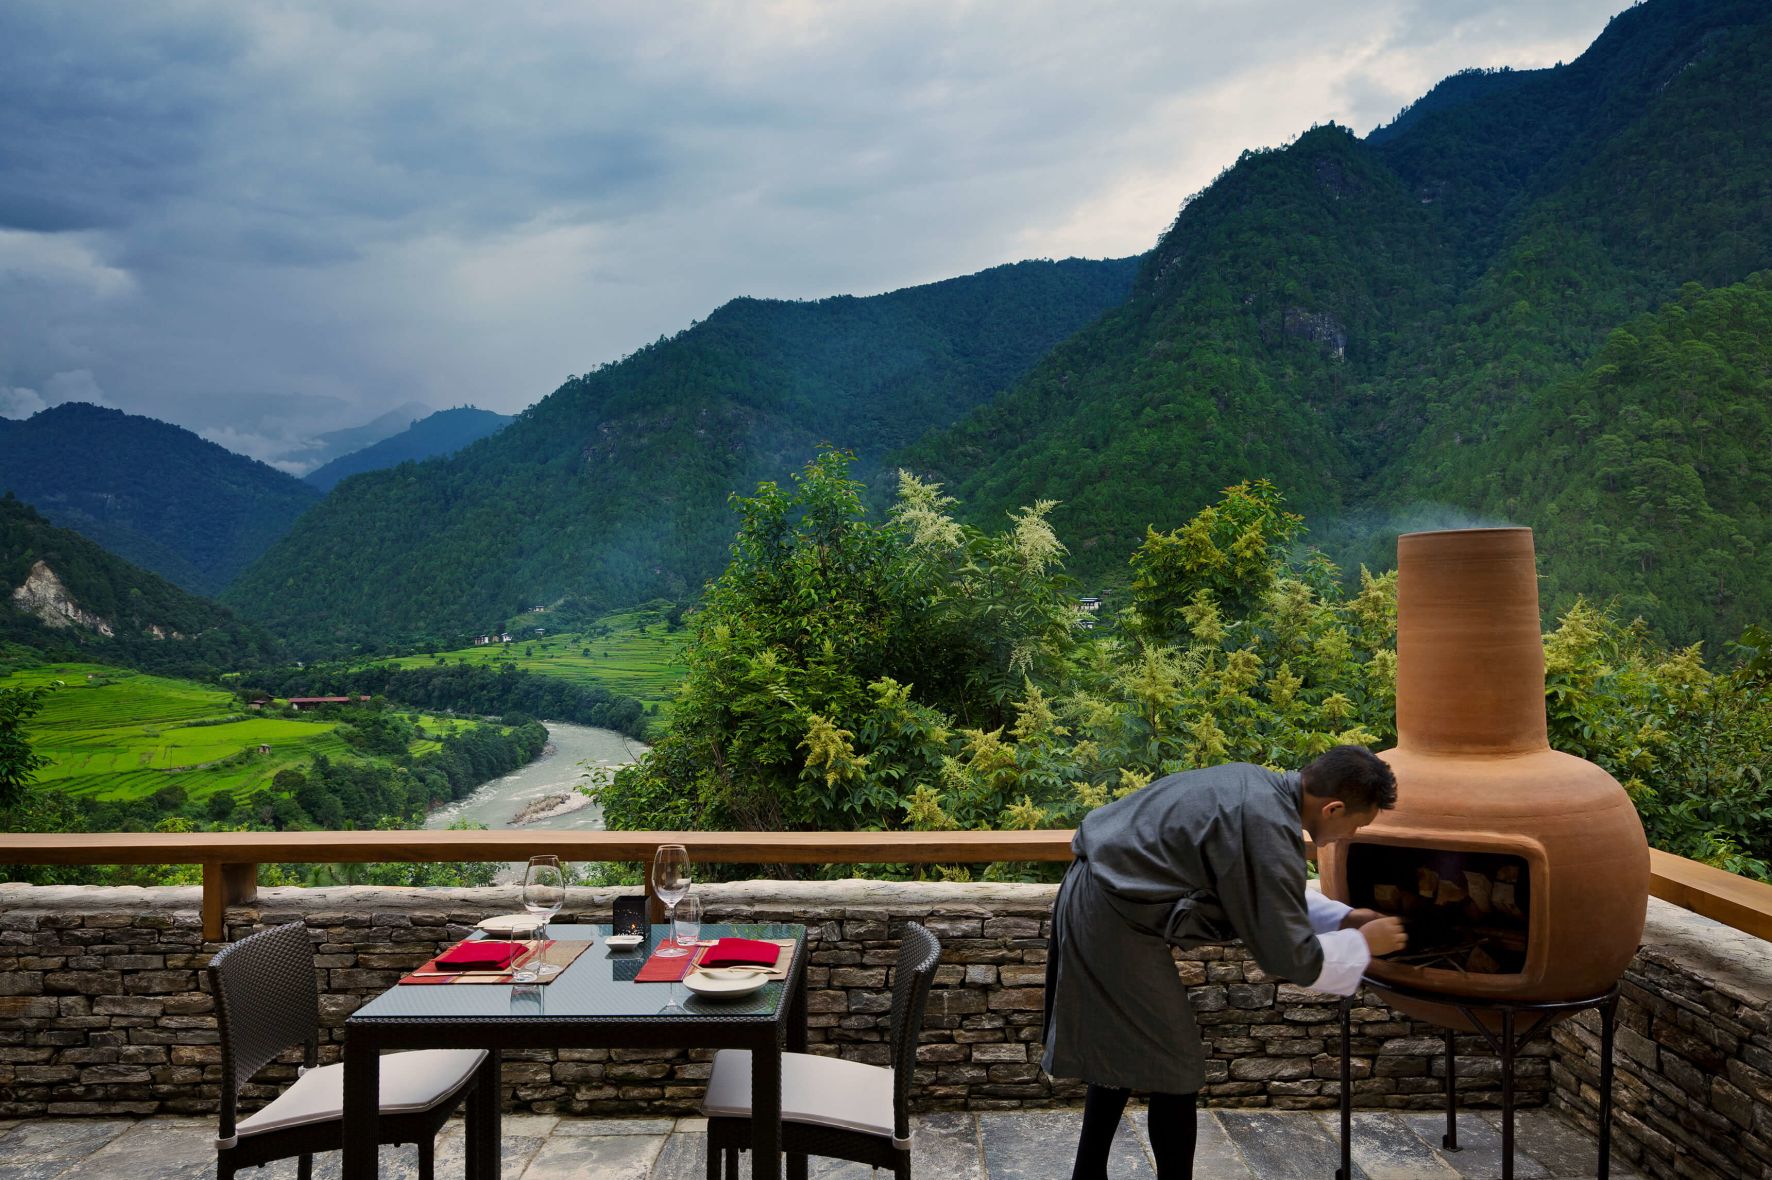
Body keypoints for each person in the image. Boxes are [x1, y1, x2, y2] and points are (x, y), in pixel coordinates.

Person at [1041, 745, 1407, 1180]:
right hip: (1113, 917)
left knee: (1123, 1046)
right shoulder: (1267, 822)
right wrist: (1362, 944)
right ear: (1334, 808)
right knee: (1176, 1068)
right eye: (1355, 825)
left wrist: (1342, 917)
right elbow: (1290, 955)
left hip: (1099, 895)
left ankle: (1088, 1174)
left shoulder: (1256, 786)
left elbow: (1263, 891)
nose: (1348, 836)